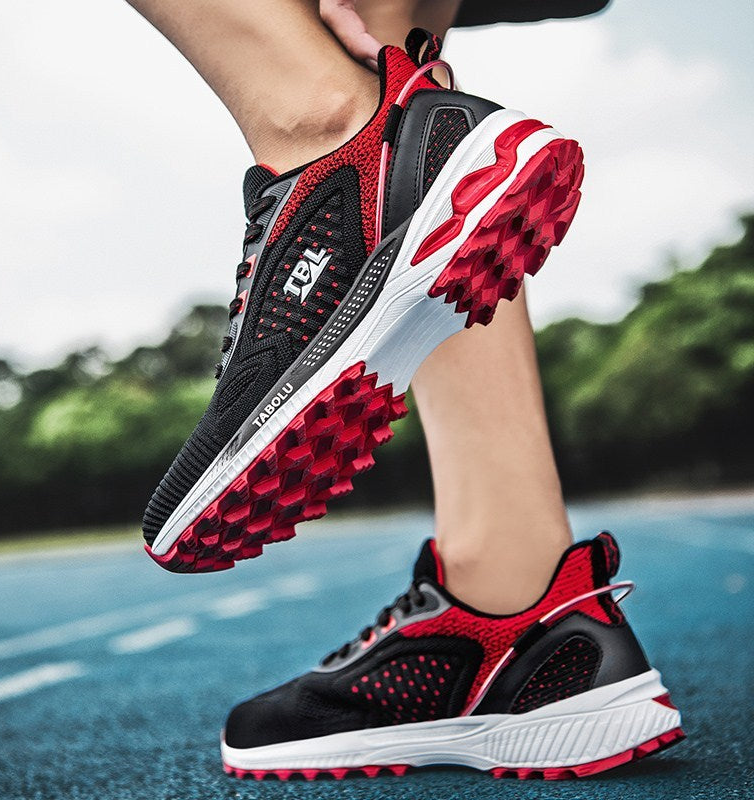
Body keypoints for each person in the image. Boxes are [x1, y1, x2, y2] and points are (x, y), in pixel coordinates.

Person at [126, 0, 684, 779]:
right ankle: (517, 604)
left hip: (345, 143)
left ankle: (321, 135)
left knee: (356, 74)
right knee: (393, 45)